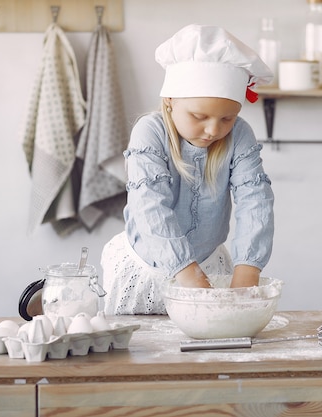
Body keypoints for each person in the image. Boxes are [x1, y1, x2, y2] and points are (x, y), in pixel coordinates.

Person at [101, 24, 275, 315]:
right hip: (146, 272)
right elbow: (149, 207)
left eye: (227, 118)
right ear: (170, 101)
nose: (212, 130)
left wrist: (247, 272)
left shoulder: (239, 135)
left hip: (211, 267)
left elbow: (255, 200)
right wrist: (187, 274)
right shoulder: (150, 132)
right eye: (199, 116)